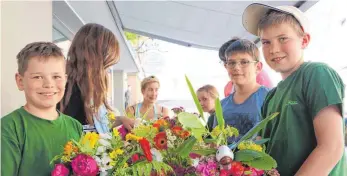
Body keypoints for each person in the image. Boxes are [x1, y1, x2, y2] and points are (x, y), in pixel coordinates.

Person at [243, 3, 346, 175]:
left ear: (304, 40)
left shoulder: (316, 74)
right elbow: (260, 145)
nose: (274, 49)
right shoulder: (271, 96)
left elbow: (332, 148)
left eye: (283, 38)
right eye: (266, 42)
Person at [1, 42, 83, 176]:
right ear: (20, 81)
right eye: (37, 77)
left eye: (56, 77)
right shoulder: (9, 128)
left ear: (65, 80)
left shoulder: (75, 126)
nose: (49, 84)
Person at [59, 23, 134, 133]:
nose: (106, 71)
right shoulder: (69, 89)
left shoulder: (88, 87)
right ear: (94, 59)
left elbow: (96, 122)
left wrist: (120, 120)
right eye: (105, 65)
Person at [216, 38, 269, 144]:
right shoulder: (221, 105)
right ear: (226, 66)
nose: (236, 67)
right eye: (231, 63)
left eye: (244, 62)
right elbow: (216, 142)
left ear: (258, 67)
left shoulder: (270, 97)